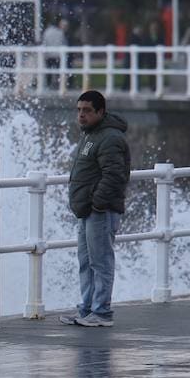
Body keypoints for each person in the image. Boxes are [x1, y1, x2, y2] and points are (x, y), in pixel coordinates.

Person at [59, 91, 131, 328]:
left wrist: (97, 203)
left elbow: (114, 175)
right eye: (79, 110)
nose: (81, 114)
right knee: (86, 262)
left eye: (87, 110)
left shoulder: (109, 138)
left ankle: (101, 312)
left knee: (100, 262)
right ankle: (88, 309)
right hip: (88, 211)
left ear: (101, 111)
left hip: (100, 211)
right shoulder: (91, 135)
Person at [42, 18, 69, 89]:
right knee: (58, 70)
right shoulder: (60, 32)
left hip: (49, 54)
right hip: (58, 55)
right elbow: (64, 43)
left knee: (49, 70)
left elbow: (44, 43)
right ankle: (58, 84)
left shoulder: (46, 32)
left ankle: (48, 84)